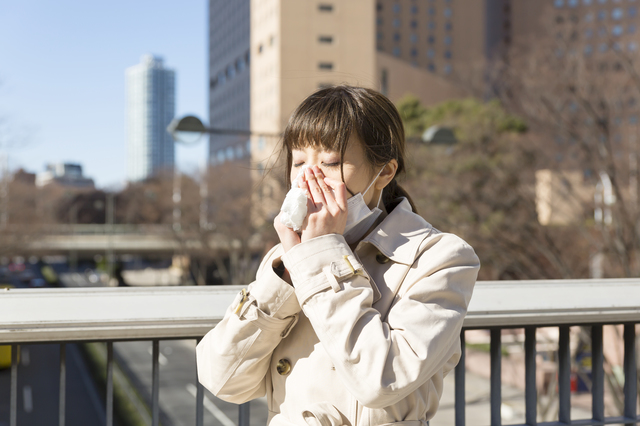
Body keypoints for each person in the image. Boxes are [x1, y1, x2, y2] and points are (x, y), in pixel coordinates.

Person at [196, 86, 480, 426]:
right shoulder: (287, 257)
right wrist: (289, 272)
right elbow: (223, 380)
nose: (308, 178)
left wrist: (320, 256)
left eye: (329, 162)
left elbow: (382, 379)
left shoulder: (440, 257)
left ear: (385, 172)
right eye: (299, 162)